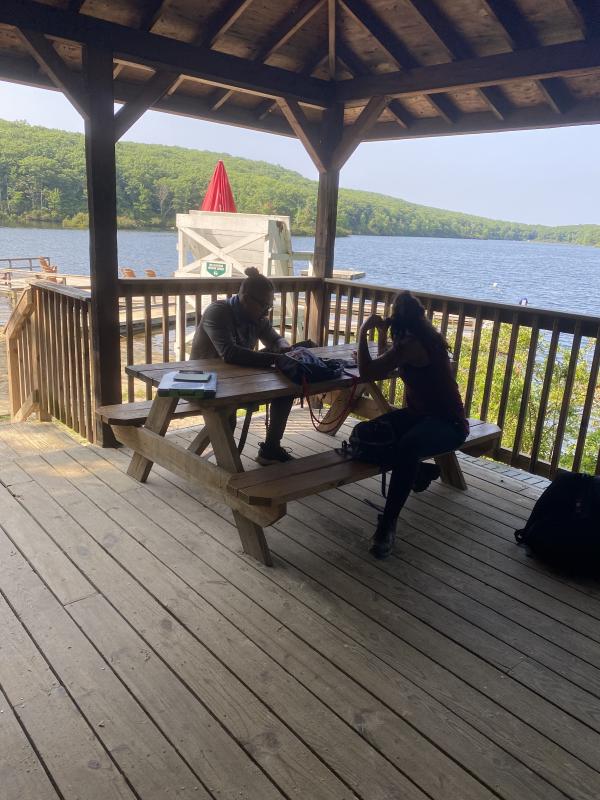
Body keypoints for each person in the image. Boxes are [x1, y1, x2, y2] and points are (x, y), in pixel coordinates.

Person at [357, 291, 469, 559]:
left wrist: (363, 331)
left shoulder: (412, 344)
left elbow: (368, 372)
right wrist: (385, 339)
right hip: (421, 416)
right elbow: (387, 360)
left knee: (407, 447)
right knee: (363, 434)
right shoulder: (424, 339)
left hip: (448, 424)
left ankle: (388, 524)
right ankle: (417, 473)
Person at [190, 267, 294, 464]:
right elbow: (229, 353)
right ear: (246, 298)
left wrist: (284, 347)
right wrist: (276, 358)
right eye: (264, 305)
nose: (266, 311)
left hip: (236, 376)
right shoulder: (217, 311)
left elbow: (275, 339)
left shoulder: (258, 317)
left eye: (269, 306)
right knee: (227, 414)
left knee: (287, 389)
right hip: (203, 380)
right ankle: (226, 464)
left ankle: (271, 449)